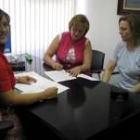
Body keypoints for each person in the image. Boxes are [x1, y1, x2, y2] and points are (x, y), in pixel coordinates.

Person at [0, 9, 57, 140]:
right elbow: (11, 99)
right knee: (37, 126)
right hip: (4, 118)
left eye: (4, 24)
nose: (2, 29)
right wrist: (45, 94)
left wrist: (17, 79)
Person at [102, 14, 140, 93]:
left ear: (135, 31)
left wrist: (127, 94)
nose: (120, 32)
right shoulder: (120, 45)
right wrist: (103, 86)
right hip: (121, 89)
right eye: (120, 28)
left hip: (135, 93)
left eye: (124, 29)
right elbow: (109, 68)